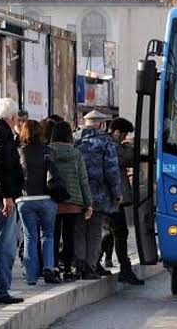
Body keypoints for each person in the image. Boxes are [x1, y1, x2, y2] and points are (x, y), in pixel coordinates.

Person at [73, 110, 121, 280]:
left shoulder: (74, 139)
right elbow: (112, 170)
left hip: (76, 194)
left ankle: (77, 265)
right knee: (94, 232)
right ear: (101, 123)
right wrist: (117, 193)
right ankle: (89, 267)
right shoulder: (105, 142)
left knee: (78, 230)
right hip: (98, 195)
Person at [98, 117, 144, 285]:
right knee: (120, 232)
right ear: (116, 132)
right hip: (112, 196)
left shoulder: (103, 142)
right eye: (123, 135)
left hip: (106, 196)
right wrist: (130, 145)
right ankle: (124, 269)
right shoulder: (111, 146)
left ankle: (95, 263)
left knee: (112, 231)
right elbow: (128, 157)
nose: (124, 138)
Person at [16, 120, 62, 285]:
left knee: (30, 237)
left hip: (25, 199)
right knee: (48, 235)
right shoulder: (48, 151)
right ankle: (48, 268)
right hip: (46, 199)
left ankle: (31, 276)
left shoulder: (19, 152)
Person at [50, 121, 93, 282]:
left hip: (53, 201)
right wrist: (88, 203)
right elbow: (83, 180)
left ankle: (53, 267)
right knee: (69, 237)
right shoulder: (76, 154)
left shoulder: (49, 152)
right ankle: (68, 269)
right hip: (73, 202)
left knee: (52, 236)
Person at [0, 98, 25, 304]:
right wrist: (7, 195)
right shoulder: (2, 134)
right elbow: (1, 166)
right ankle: (0, 291)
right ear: (12, 116)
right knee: (4, 248)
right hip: (1, 200)